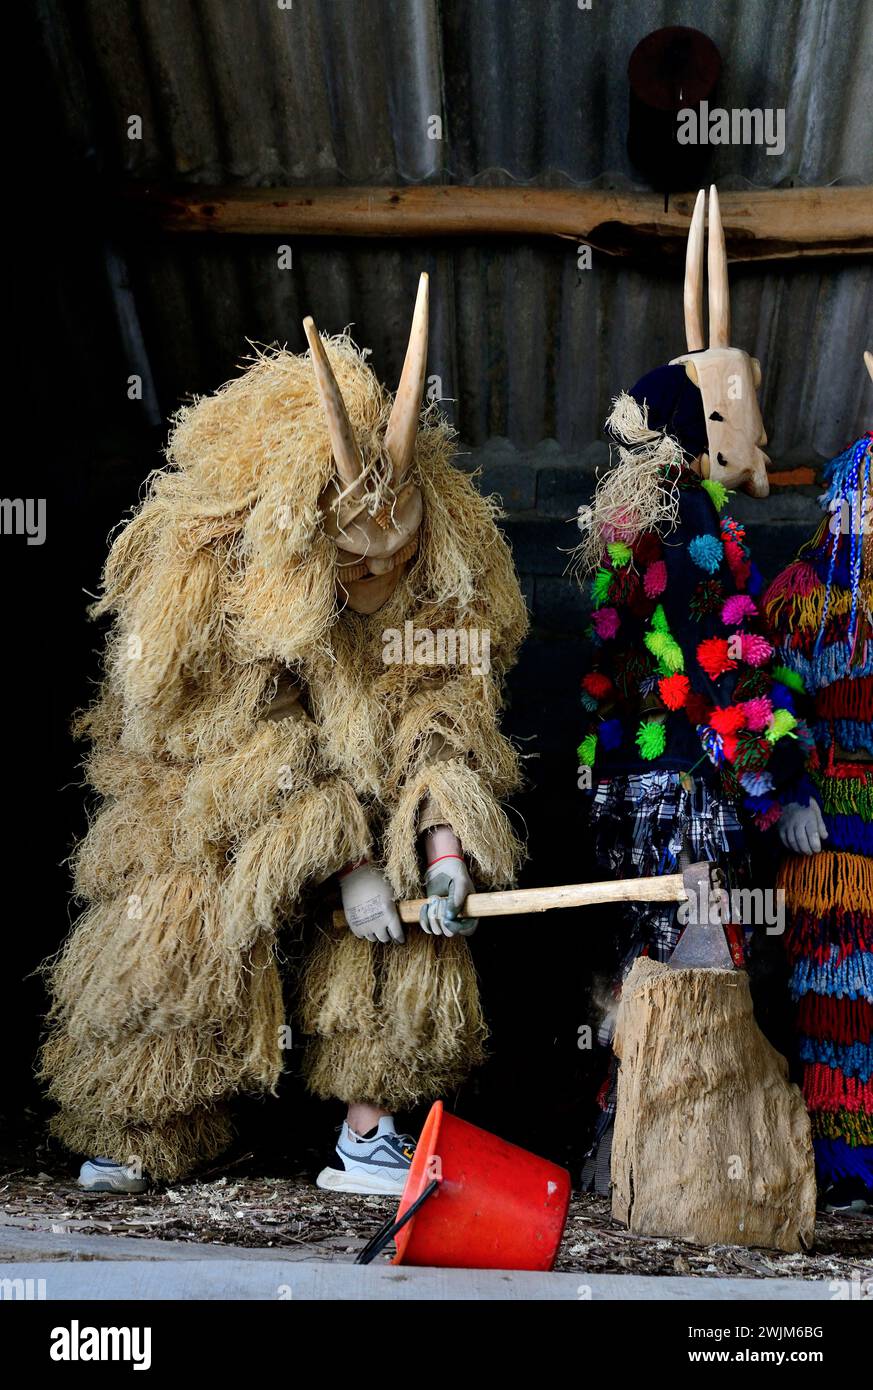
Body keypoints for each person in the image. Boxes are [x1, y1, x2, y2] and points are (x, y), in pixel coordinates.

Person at [42, 274, 528, 1195]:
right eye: (355, 558)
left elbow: (441, 720)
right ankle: (145, 1120)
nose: (378, 572)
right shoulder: (222, 576)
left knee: (411, 908)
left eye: (397, 553)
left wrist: (443, 848)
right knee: (172, 902)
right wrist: (337, 863)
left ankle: (372, 1132)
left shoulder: (442, 581)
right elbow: (228, 743)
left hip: (359, 785)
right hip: (207, 797)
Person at [573, 189, 812, 1191]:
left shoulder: (622, 539)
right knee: (706, 974)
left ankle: (617, 1167)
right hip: (690, 820)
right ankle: (692, 1177)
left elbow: (620, 702)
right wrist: (786, 781)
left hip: (628, 812)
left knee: (643, 978)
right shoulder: (697, 533)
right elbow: (733, 676)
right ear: (702, 424)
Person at [763, 366, 872, 1214]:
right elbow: (776, 707)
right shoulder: (802, 601)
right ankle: (840, 1169)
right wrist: (793, 792)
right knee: (834, 1001)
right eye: (856, 499)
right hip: (831, 841)